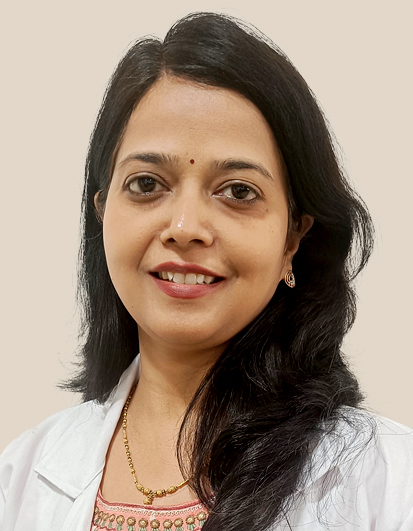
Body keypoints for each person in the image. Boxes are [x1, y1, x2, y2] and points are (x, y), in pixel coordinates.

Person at [1, 11, 412, 531]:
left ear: (293, 239)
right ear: (102, 214)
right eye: (146, 184)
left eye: (238, 191)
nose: (184, 227)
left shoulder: (388, 480)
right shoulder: (19, 478)